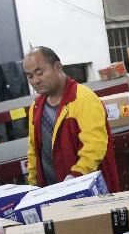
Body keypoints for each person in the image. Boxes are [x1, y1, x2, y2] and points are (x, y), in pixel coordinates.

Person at [23, 46, 119, 191]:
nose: (35, 80)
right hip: (51, 195)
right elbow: (33, 151)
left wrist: (75, 177)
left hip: (89, 192)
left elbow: (94, 145)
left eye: (40, 73)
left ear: (57, 67)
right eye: (30, 76)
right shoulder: (36, 107)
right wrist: (33, 185)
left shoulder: (83, 99)